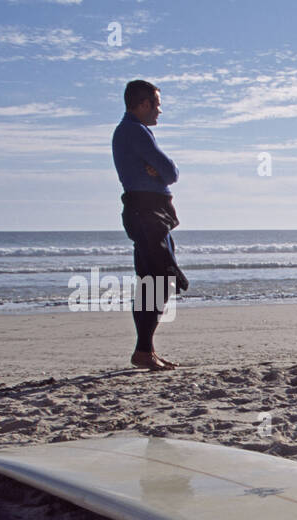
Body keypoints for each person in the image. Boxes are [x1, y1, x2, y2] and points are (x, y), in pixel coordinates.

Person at [112, 80, 188, 371]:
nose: (159, 110)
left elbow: (167, 172)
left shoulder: (134, 131)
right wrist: (160, 171)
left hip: (150, 212)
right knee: (159, 279)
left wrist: (162, 171)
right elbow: (170, 172)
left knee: (153, 281)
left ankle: (146, 349)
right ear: (142, 104)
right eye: (156, 104)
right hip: (146, 213)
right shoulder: (134, 131)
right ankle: (143, 350)